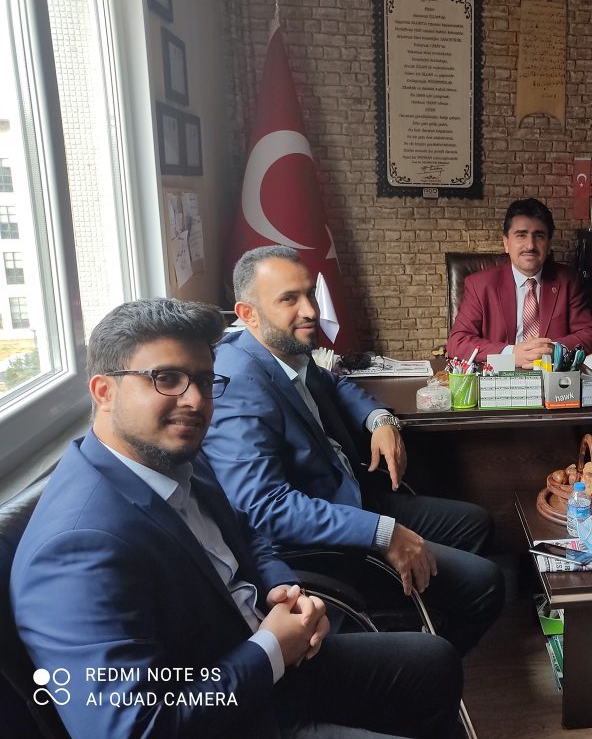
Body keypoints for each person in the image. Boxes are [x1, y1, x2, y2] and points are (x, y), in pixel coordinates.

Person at [10, 298, 462, 739]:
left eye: (204, 381)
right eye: (167, 379)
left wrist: (284, 591)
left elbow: (244, 530)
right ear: (104, 392)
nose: (195, 401)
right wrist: (270, 651)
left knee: (436, 662)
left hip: (269, 664)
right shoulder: (77, 546)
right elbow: (136, 727)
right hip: (233, 716)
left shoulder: (174, 455)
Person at [204, 246, 504, 656]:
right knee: (485, 584)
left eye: (310, 294)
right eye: (289, 299)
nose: (310, 311)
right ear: (248, 313)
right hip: (324, 542)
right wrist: (382, 533)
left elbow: (333, 383)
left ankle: (424, 617)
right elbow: (266, 507)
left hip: (354, 496)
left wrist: (379, 419)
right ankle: (424, 667)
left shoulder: (282, 349)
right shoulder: (238, 384)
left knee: (476, 524)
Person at [446, 197, 592, 368]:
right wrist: (511, 354)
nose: (530, 245)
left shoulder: (568, 280)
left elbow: (588, 333)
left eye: (539, 236)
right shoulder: (479, 285)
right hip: (500, 376)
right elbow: (457, 342)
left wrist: (553, 350)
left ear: (549, 244)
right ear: (506, 243)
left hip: (552, 376)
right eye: (521, 235)